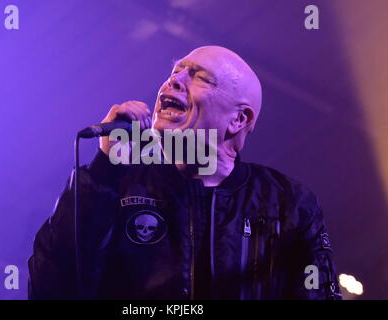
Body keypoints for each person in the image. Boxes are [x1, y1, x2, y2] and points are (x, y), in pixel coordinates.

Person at [28, 46, 341, 300]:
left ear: (238, 120)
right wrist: (103, 168)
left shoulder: (288, 202)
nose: (173, 81)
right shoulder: (117, 184)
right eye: (175, 71)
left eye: (200, 77)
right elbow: (49, 287)